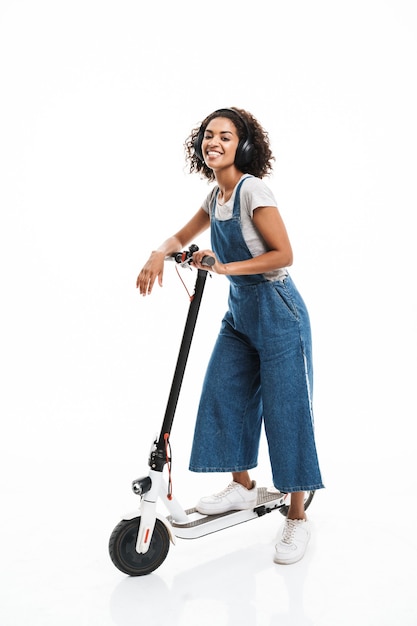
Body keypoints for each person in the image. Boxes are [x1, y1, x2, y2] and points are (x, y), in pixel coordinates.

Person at [136, 107, 324, 564]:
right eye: (207, 135)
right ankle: (242, 487)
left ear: (242, 144)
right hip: (240, 312)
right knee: (224, 394)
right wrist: (159, 254)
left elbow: (284, 254)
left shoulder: (251, 189)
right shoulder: (213, 196)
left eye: (225, 135)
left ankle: (297, 516)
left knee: (286, 412)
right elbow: (181, 236)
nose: (213, 141)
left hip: (278, 310)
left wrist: (224, 266)